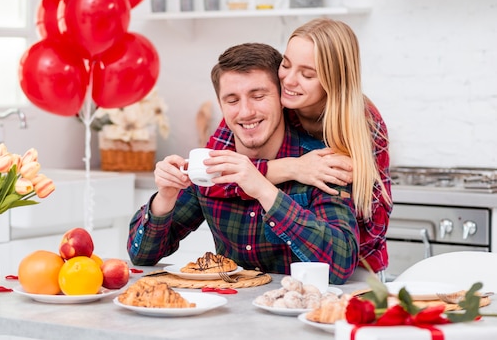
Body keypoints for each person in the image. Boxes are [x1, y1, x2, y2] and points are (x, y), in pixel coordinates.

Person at [127, 43, 360, 284]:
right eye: (232, 100)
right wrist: (164, 199)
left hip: (300, 312)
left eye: (258, 96)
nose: (246, 112)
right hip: (229, 310)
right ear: (220, 106)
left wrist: (264, 190)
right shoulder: (211, 165)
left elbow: (340, 266)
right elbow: (141, 256)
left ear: (282, 98)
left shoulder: (319, 163)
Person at [205, 18, 392, 276]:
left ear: (333, 81)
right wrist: (293, 168)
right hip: (299, 266)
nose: (289, 81)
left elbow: (374, 221)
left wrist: (331, 220)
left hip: (359, 268)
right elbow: (214, 176)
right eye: (286, 64)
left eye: (307, 74)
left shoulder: (363, 124)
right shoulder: (269, 109)